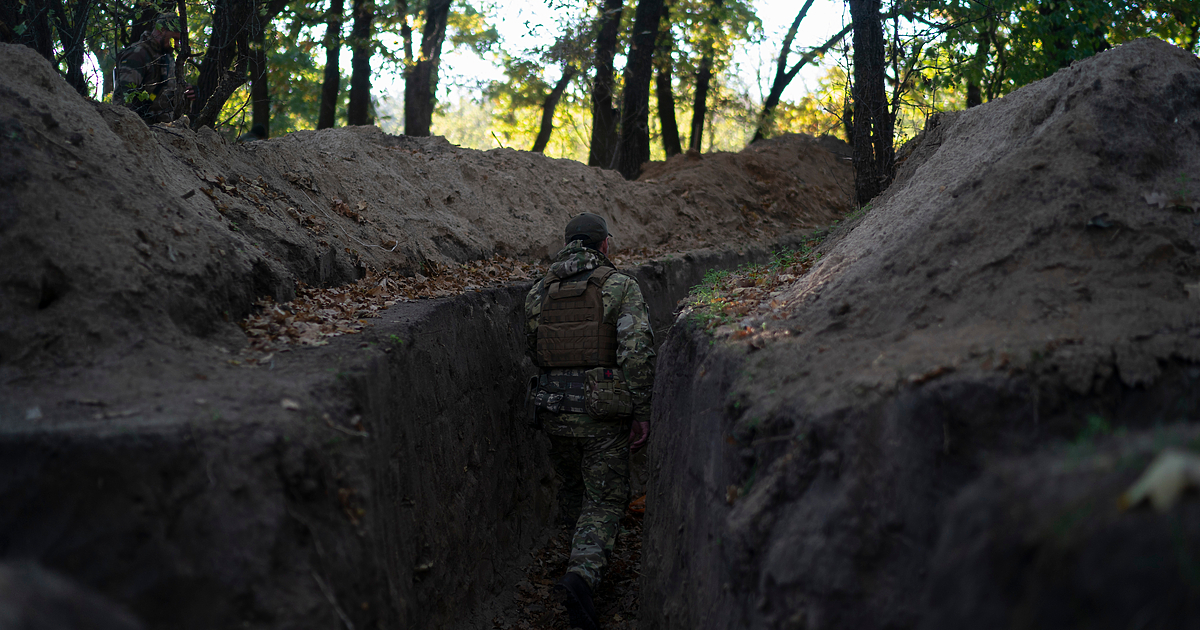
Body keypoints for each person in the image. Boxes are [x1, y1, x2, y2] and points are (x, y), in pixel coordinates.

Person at [524, 212, 655, 630]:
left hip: (555, 410)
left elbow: (535, 349)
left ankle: (571, 562)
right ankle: (581, 579)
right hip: (602, 415)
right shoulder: (620, 286)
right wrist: (642, 412)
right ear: (603, 246)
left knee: (573, 492)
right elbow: (637, 353)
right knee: (603, 501)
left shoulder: (537, 292)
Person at [114, 12, 195, 124]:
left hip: (165, 133)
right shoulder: (138, 55)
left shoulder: (168, 57)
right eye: (174, 39)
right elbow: (121, 105)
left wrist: (186, 96)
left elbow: (169, 104)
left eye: (179, 41)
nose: (177, 45)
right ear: (161, 30)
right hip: (142, 131)